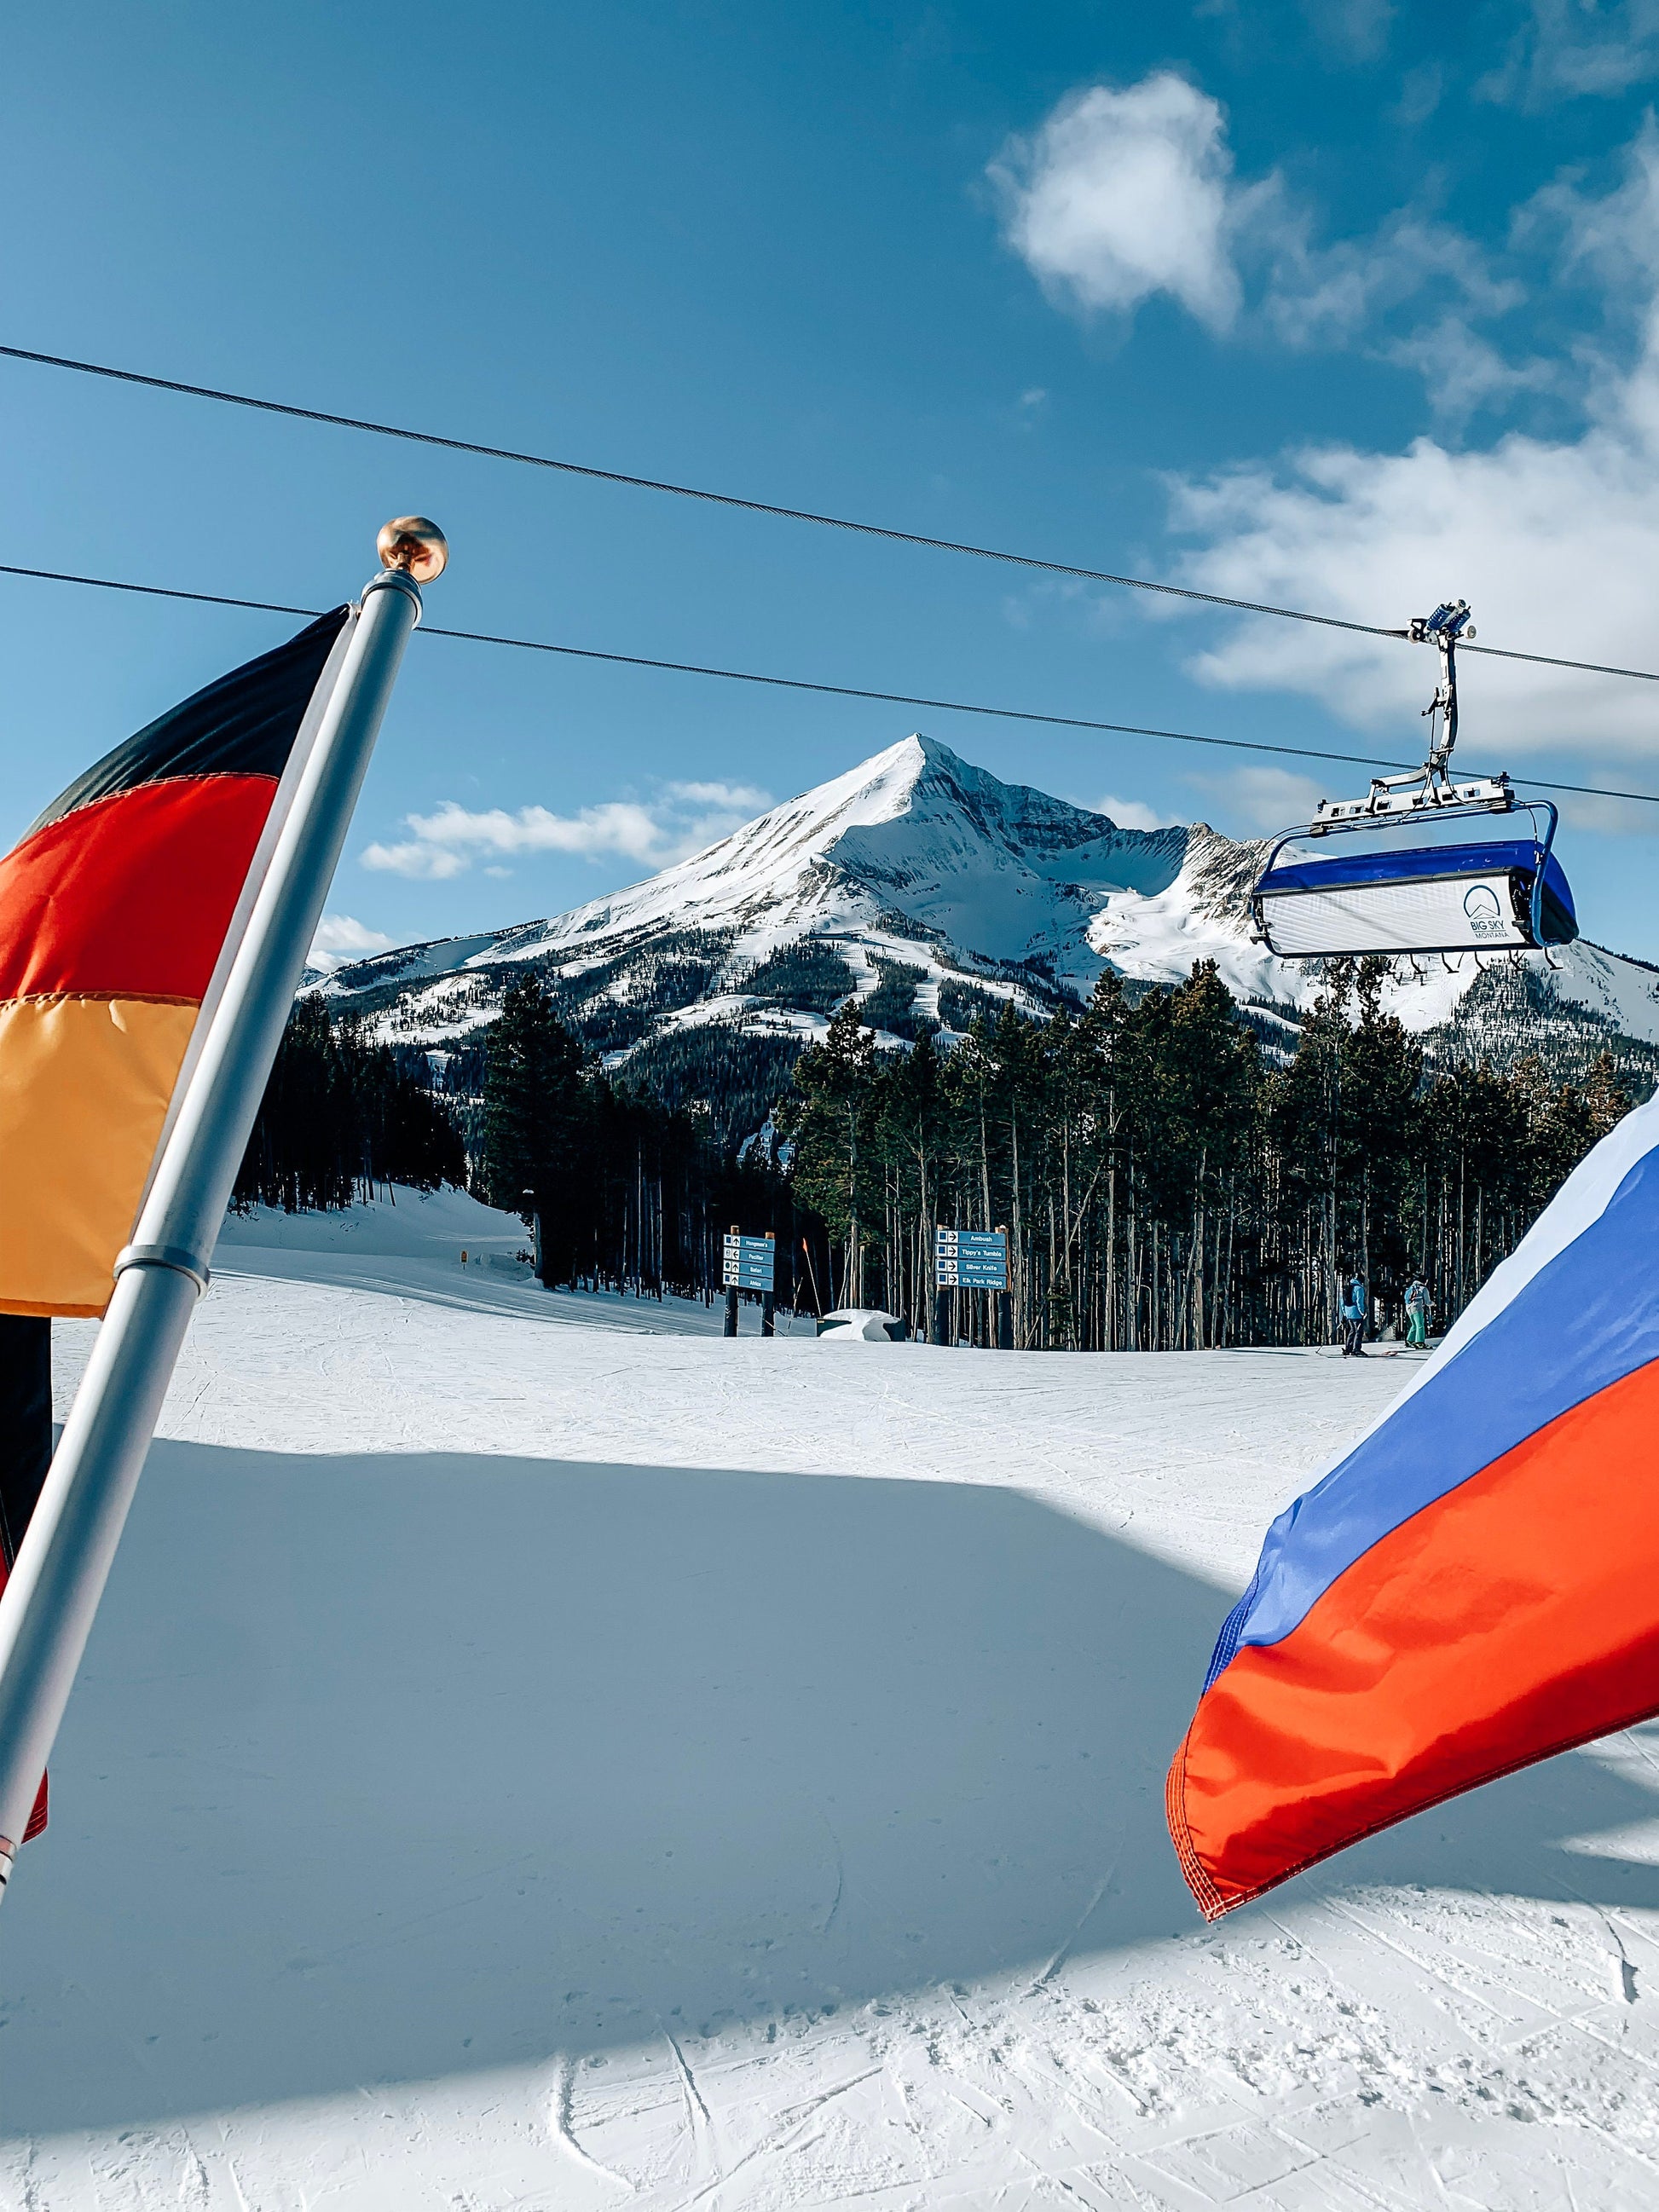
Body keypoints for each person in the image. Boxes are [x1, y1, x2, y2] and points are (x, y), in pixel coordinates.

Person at [1340, 1271, 1368, 1357]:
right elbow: (1359, 1301)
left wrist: (1344, 1313)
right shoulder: (1359, 1288)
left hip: (1348, 1313)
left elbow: (1342, 1302)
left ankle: (1348, 1348)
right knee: (1358, 1331)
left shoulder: (1348, 1287)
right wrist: (1362, 1312)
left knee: (1352, 1330)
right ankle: (1356, 1349)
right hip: (1356, 1312)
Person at [1404, 1274, 1431, 1349]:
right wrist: (1433, 1304)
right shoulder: (1423, 1288)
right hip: (1417, 1307)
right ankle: (1419, 1342)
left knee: (1414, 1324)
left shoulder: (1412, 1287)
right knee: (1420, 1325)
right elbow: (1427, 1302)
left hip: (1408, 1307)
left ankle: (1410, 1340)